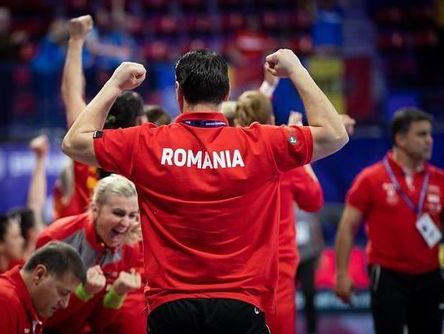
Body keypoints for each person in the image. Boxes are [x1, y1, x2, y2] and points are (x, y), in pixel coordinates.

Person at [62, 48, 348, 333]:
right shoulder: (262, 144)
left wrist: (114, 84)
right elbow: (335, 134)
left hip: (170, 309)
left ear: (178, 92)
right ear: (226, 95)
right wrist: (296, 70)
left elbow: (74, 142)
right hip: (241, 307)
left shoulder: (146, 144)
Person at [334, 107, 443, 334]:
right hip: (387, 276)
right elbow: (347, 226)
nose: (429, 141)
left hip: (429, 276)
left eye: (430, 135)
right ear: (400, 139)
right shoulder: (371, 179)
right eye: (421, 134)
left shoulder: (439, 180)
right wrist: (342, 274)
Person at [234, 93, 324, 334]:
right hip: (277, 264)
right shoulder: (284, 159)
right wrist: (298, 149)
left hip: (234, 262)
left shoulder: (226, 154)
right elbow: (314, 201)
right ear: (272, 118)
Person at [54, 15, 145, 220]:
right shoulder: (145, 152)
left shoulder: (84, 144)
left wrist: (76, 40)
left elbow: (72, 93)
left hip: (80, 246)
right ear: (140, 121)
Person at [36, 174, 143, 333]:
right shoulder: (57, 239)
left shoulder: (129, 247)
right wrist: (83, 292)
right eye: (118, 213)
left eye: (132, 215)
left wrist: (117, 294)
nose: (126, 223)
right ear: (95, 209)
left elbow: (98, 324)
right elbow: (41, 316)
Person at [0, 241, 86, 333]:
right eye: (63, 292)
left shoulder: (31, 308)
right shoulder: (1, 302)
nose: (65, 304)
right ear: (40, 274)